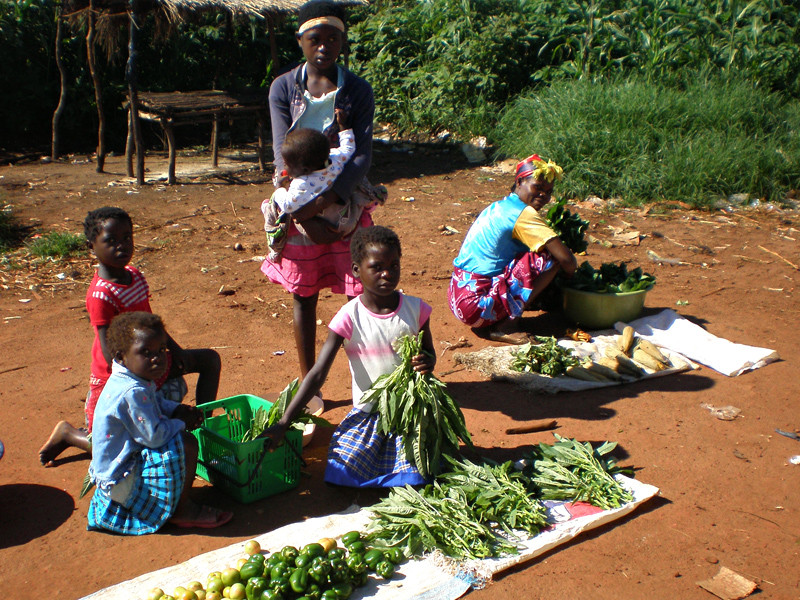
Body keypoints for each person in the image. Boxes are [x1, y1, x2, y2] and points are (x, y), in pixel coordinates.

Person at [262, 0, 385, 389]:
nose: (324, 47)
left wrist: (329, 202)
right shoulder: (283, 87)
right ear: (300, 40)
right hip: (296, 196)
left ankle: (364, 381)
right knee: (304, 295)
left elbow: (361, 155)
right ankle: (307, 381)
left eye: (333, 38)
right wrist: (304, 216)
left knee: (358, 293)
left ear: (342, 42)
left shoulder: (357, 90)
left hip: (343, 199)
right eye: (315, 38)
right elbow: (284, 152)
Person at [39, 206, 221, 467]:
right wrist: (137, 383)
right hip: (119, 375)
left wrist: (175, 350)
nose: (121, 245)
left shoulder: (134, 276)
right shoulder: (100, 294)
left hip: (146, 360)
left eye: (127, 237)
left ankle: (204, 426)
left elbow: (150, 324)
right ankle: (70, 434)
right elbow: (107, 349)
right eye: (110, 241)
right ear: (91, 246)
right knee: (117, 443)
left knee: (209, 360)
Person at [262, 226, 436, 487]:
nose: (387, 274)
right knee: (343, 469)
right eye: (377, 267)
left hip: (408, 416)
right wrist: (285, 421)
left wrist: (428, 361)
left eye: (394, 266)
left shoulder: (416, 310)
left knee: (417, 472)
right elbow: (318, 373)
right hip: (369, 413)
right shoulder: (349, 316)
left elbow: (429, 353)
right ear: (357, 271)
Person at [87, 312, 233, 533]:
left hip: (123, 465)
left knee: (177, 432)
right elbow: (154, 437)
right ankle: (182, 511)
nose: (157, 358)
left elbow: (156, 402)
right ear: (121, 355)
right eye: (146, 352)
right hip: (121, 480)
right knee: (185, 443)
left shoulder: (133, 378)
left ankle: (174, 499)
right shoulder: (131, 391)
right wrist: (181, 422)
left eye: (161, 350)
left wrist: (176, 409)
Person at [448, 154, 579, 344]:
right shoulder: (523, 214)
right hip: (477, 306)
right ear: (519, 182)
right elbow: (568, 260)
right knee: (550, 258)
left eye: (549, 192)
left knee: (530, 254)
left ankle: (504, 309)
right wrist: (570, 277)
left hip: (458, 296)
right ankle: (506, 325)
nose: (544, 195)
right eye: (538, 187)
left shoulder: (500, 206)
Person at [262, 108, 357, 263]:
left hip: (320, 221)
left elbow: (288, 206)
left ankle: (275, 249)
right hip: (343, 215)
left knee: (272, 207)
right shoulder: (334, 157)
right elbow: (349, 148)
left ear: (305, 169)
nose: (284, 168)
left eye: (287, 165)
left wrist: (279, 188)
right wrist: (344, 127)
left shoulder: (303, 183)